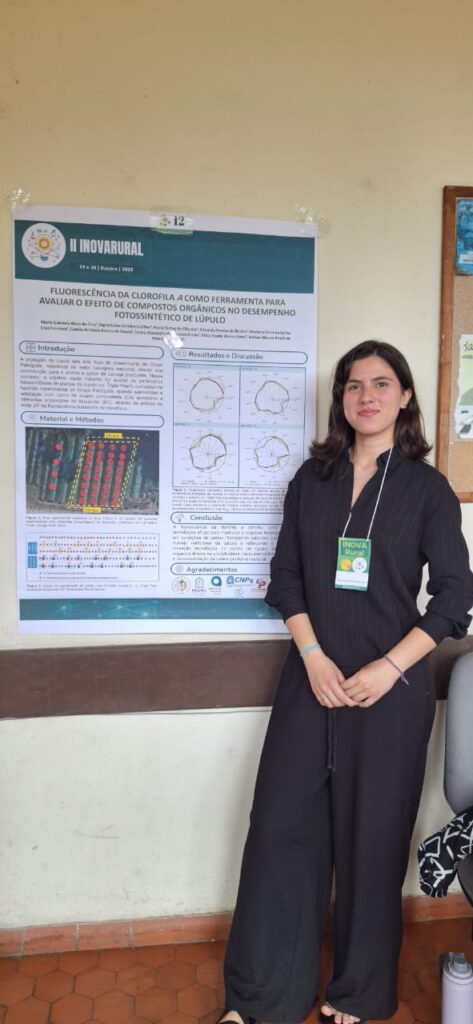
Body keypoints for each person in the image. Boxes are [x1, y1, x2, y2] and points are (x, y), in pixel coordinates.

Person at [219, 341, 473, 1024]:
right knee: (278, 830)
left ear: (405, 396)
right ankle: (262, 997)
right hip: (312, 681)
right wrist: (312, 656)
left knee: (373, 840)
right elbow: (286, 578)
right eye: (353, 385)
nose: (366, 396)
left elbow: (454, 597)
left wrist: (389, 667)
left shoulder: (426, 490)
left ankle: (356, 992)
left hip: (390, 695)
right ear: (341, 399)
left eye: (381, 383)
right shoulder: (313, 479)